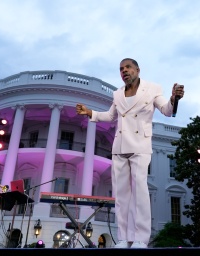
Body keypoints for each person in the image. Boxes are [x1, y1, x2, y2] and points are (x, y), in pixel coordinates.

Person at [76, 58, 184, 248]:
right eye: (120, 69)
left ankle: (141, 238)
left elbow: (167, 111)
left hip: (140, 146)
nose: (124, 71)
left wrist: (174, 99)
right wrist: (90, 112)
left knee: (140, 192)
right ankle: (124, 238)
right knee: (122, 195)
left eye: (127, 67)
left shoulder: (152, 89)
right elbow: (110, 116)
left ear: (137, 70)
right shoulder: (117, 94)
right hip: (119, 147)